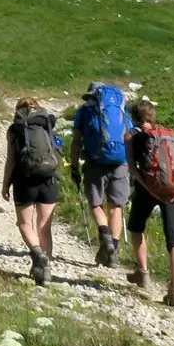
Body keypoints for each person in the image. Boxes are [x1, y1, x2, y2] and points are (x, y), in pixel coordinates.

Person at [125, 100, 174, 307]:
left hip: (148, 189)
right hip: (173, 191)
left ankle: (143, 272)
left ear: (134, 117)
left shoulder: (132, 136)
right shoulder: (169, 133)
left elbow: (132, 168)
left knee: (136, 227)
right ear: (152, 115)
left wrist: (147, 187)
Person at [68, 82, 130, 267]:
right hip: (120, 162)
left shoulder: (84, 111)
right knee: (116, 206)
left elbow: (77, 141)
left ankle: (105, 236)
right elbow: (130, 134)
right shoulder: (120, 109)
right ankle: (113, 251)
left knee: (95, 203)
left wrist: (74, 166)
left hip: (95, 162)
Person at [2, 98, 61, 286]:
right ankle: (47, 270)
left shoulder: (14, 129)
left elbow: (11, 160)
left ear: (18, 111)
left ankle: (37, 253)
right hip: (48, 178)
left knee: (25, 224)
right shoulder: (46, 124)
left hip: (24, 180)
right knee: (44, 226)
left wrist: (5, 185)